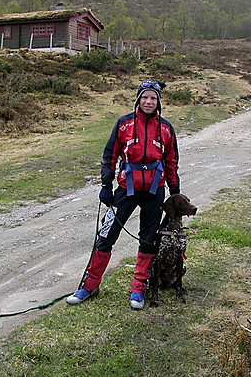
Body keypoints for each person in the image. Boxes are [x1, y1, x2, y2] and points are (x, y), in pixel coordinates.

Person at [67, 78, 180, 309]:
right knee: (106, 235)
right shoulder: (123, 123)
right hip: (125, 191)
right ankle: (89, 285)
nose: (149, 102)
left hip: (154, 192)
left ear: (158, 102)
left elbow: (171, 162)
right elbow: (109, 156)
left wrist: (175, 192)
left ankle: (138, 289)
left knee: (148, 240)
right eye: (145, 97)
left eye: (153, 98)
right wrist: (106, 186)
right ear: (138, 99)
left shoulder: (166, 128)